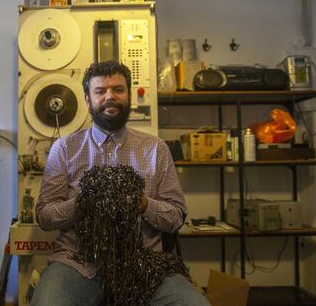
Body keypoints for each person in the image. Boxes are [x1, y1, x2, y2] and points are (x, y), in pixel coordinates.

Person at [31, 60, 210, 306]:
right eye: (100, 91)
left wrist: (144, 204)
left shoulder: (155, 149)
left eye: (118, 90)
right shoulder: (64, 149)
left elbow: (176, 216)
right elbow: (45, 216)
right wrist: (83, 205)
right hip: (77, 262)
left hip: (145, 263)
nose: (109, 97)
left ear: (128, 96)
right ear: (87, 99)